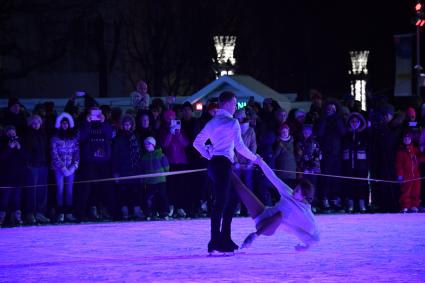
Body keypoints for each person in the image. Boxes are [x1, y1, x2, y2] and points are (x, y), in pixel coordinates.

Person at [193, 91, 259, 254]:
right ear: (228, 104)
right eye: (235, 103)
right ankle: (215, 241)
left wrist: (208, 153)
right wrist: (255, 158)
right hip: (223, 164)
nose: (236, 106)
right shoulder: (232, 122)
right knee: (222, 202)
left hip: (215, 165)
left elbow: (197, 143)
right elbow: (240, 147)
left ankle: (224, 238)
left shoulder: (213, 122)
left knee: (230, 200)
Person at [232, 156, 320, 251]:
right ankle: (224, 166)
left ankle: (253, 236)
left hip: (267, 227)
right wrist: (261, 162)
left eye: (297, 191)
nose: (294, 191)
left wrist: (306, 247)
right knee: (240, 187)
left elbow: (315, 235)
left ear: (304, 197)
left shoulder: (305, 213)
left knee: (279, 215)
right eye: (296, 188)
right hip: (263, 213)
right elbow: (273, 178)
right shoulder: (288, 193)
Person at [51, 112, 79, 223]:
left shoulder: (74, 138)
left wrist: (73, 166)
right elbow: (53, 153)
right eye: (63, 123)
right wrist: (62, 167)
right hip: (59, 169)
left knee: (69, 191)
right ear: (60, 124)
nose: (65, 125)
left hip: (71, 168)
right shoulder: (54, 138)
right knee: (60, 190)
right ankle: (60, 213)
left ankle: (69, 213)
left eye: (66, 123)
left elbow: (77, 152)